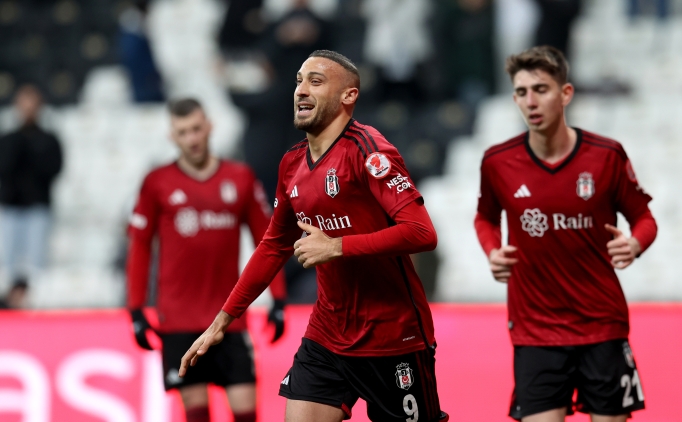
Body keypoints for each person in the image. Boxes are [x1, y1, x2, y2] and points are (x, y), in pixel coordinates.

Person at [180, 50, 449, 422]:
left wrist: (338, 246)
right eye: (299, 81)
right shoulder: (292, 163)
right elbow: (274, 246)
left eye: (316, 81)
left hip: (392, 334)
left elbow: (421, 232)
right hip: (327, 334)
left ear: (348, 96)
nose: (301, 90)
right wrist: (222, 320)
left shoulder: (369, 151)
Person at [474, 46, 657, 422]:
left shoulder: (607, 156)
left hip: (601, 326)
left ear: (566, 93)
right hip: (535, 331)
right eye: (522, 92)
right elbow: (485, 218)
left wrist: (634, 244)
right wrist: (492, 250)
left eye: (541, 89)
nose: (531, 101)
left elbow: (644, 218)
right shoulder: (497, 162)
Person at [126, 98, 287, 422]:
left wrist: (279, 299)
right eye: (183, 132)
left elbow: (268, 240)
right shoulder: (157, 182)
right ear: (172, 136)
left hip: (229, 318)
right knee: (197, 414)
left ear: (209, 127)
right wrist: (136, 309)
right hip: (179, 320)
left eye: (196, 129)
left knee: (246, 412)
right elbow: (140, 246)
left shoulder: (240, 178)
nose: (192, 138)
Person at [0, 85, 62, 291]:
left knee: (37, 265)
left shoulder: (48, 140)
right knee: (8, 264)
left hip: (37, 208)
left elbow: (54, 169)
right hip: (11, 207)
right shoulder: (8, 139)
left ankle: (35, 301)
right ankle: (8, 301)